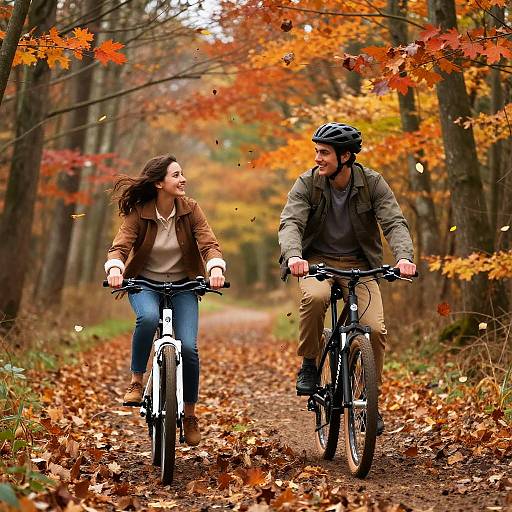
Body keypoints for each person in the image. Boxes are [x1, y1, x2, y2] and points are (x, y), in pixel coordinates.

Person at [278, 122, 416, 435]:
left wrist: (405, 258)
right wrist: (295, 257)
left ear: (346, 157)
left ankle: (369, 399)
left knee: (376, 329)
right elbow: (291, 223)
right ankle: (310, 362)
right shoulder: (307, 184)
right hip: (315, 262)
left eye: (324, 152)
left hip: (359, 264)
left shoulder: (372, 183)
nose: (317, 158)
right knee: (315, 297)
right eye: (316, 151)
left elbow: (394, 222)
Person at [104, 154, 226, 446]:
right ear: (159, 183)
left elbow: (208, 243)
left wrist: (216, 267)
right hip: (144, 283)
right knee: (146, 318)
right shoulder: (139, 211)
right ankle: (136, 381)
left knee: (188, 347)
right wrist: (116, 268)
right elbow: (120, 245)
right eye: (176, 175)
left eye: (182, 174)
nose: (183, 179)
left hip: (184, 284)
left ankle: (190, 415)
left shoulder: (191, 209)